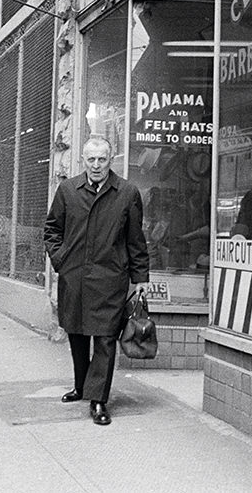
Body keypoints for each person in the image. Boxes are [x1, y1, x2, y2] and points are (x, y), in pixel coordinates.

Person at [44, 136, 150, 426]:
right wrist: (61, 260)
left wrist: (140, 277)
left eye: (102, 159)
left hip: (109, 279)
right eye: (91, 159)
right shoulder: (67, 190)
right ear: (83, 160)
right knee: (77, 333)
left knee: (104, 339)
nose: (96, 165)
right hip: (75, 276)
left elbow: (135, 240)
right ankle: (81, 386)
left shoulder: (127, 193)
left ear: (111, 159)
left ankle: (99, 400)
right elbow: (52, 230)